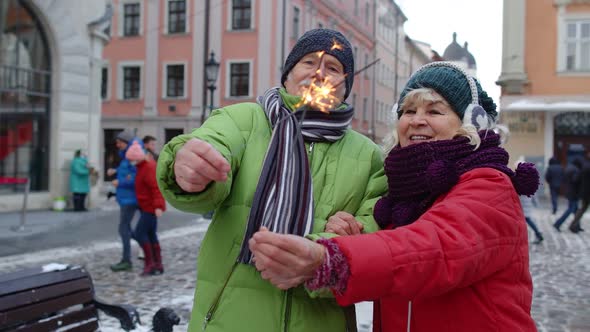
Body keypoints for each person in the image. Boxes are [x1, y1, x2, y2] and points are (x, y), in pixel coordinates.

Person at [249, 61, 540, 331]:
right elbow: (394, 260)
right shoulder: (403, 195)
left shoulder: (489, 184)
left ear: (471, 123)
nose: (416, 121)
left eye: (434, 111)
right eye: (408, 112)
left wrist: (334, 259)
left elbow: (433, 249)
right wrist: (352, 237)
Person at [156, 28, 387, 332]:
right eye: (308, 62)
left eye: (332, 67)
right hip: (229, 319)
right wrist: (189, 167)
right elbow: (214, 144)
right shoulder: (242, 120)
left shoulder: (369, 155)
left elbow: (378, 226)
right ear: (288, 74)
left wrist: (337, 246)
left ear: (345, 88)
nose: (319, 73)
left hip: (321, 321)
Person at [126, 141, 166, 275]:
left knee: (139, 233)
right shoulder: (142, 167)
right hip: (147, 207)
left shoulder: (147, 168)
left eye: (131, 159)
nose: (130, 162)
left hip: (150, 208)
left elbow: (156, 188)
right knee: (150, 234)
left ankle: (150, 264)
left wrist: (158, 206)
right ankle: (157, 264)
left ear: (136, 158)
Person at [107, 129, 140, 272]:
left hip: (130, 199)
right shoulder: (127, 156)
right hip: (125, 198)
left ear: (126, 142)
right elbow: (126, 172)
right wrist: (116, 171)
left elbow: (136, 179)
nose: (117, 145)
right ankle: (144, 245)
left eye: (119, 142)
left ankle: (127, 260)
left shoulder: (133, 156)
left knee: (124, 229)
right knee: (126, 229)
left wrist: (119, 183)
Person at [553, 157, 583, 232]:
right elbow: (575, 180)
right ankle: (558, 223)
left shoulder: (569, 168)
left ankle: (576, 226)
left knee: (576, 210)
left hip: (569, 192)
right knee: (571, 210)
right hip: (574, 193)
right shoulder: (575, 170)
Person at [569, 151, 590, 233]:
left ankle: (573, 225)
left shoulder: (584, 166)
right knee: (582, 209)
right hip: (587, 192)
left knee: (582, 209)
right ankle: (573, 225)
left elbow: (577, 180)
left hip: (584, 192)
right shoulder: (587, 167)